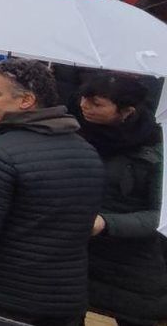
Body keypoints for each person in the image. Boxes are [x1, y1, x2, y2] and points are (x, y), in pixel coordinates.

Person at [0, 59, 105, 326]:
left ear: (26, 101)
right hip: (66, 301)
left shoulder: (2, 151)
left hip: (3, 301)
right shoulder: (88, 152)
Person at [73, 74, 167, 326]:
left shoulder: (155, 150)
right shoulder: (76, 135)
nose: (84, 105)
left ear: (126, 111)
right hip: (79, 256)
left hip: (131, 263)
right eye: (84, 97)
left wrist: (106, 223)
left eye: (96, 103)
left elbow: (157, 215)